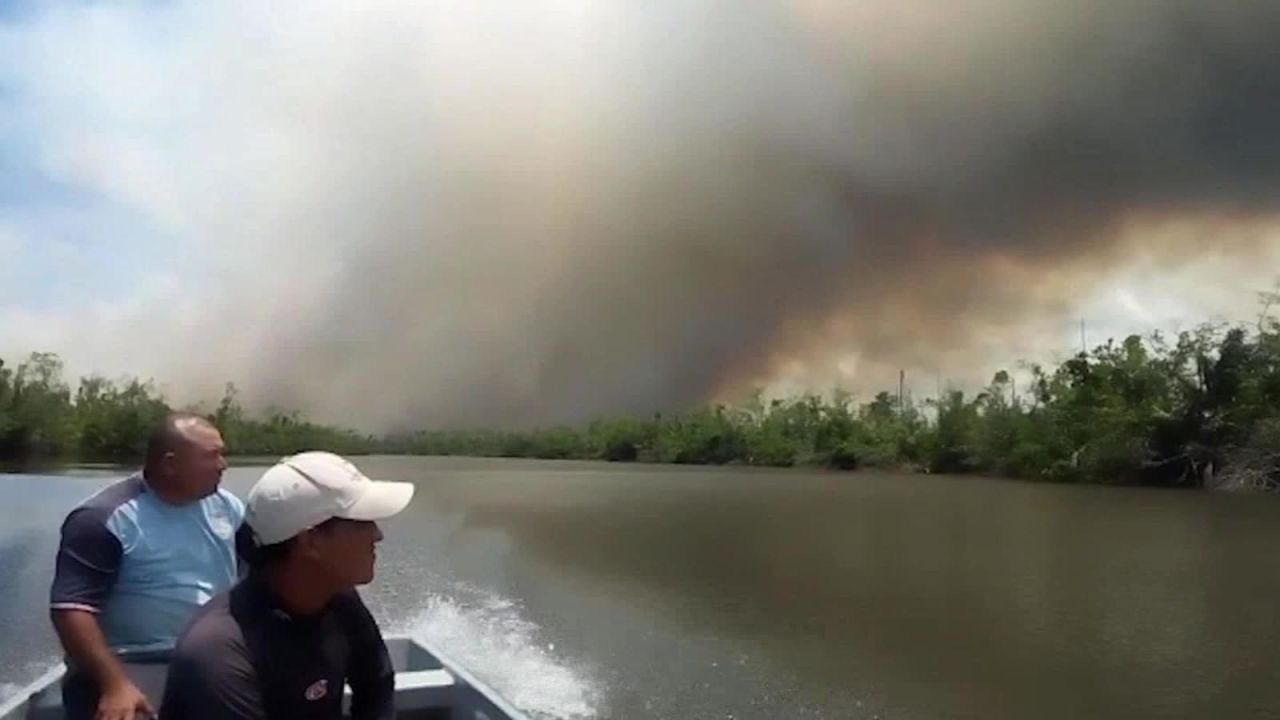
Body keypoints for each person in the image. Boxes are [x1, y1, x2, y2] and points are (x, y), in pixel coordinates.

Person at [161, 451, 414, 720]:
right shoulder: (219, 652)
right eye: (363, 522)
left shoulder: (338, 599)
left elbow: (376, 685)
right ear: (311, 541)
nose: (378, 535)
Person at [50, 412, 242, 720]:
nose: (223, 465)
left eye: (223, 454)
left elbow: (261, 577)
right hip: (130, 661)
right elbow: (72, 609)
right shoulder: (103, 518)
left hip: (211, 657)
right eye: (212, 456)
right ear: (170, 463)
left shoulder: (227, 507)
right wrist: (115, 685)